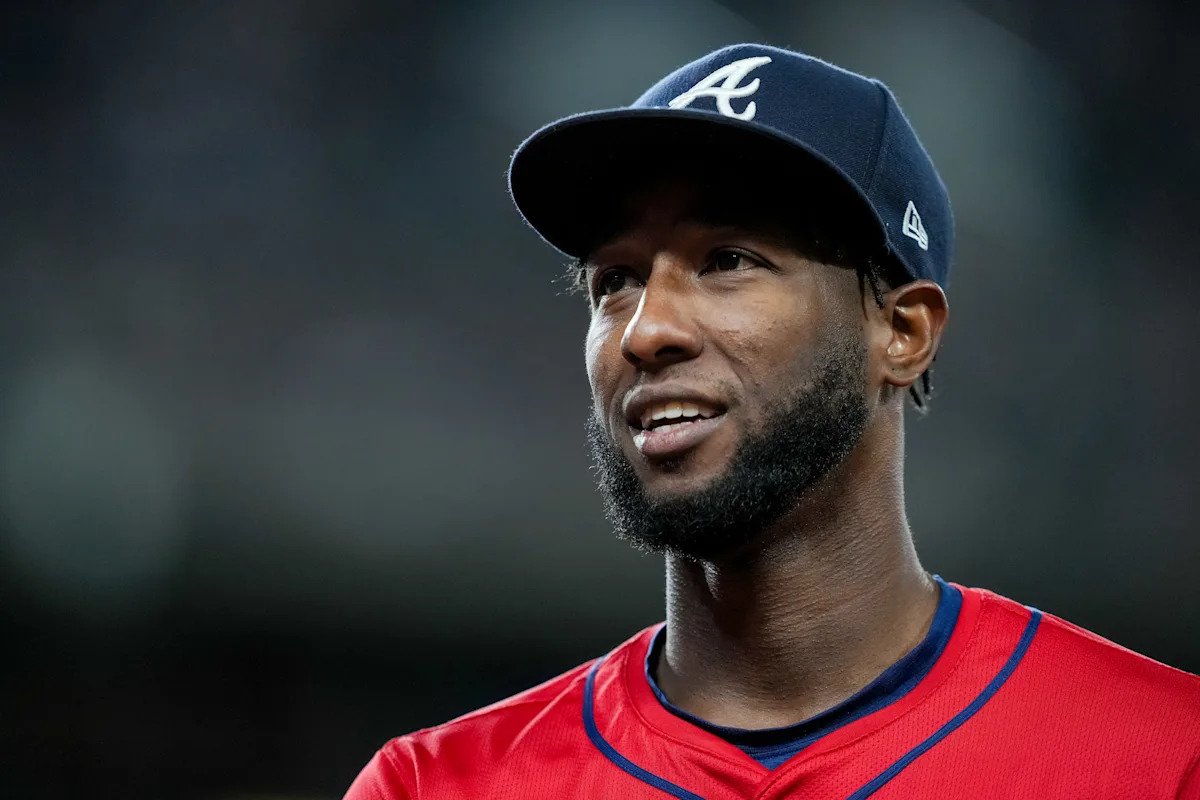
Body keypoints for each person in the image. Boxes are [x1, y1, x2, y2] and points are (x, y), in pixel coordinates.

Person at [344, 43, 1200, 799]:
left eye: (728, 260)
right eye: (616, 280)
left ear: (902, 333)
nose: (645, 331)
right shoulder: (437, 787)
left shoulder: (1163, 762)